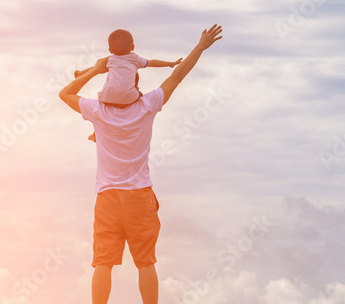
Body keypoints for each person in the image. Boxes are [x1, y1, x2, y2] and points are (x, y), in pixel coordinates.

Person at [58, 24, 223, 304]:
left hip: (108, 196)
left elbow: (65, 94)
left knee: (103, 264)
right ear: (136, 83)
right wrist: (200, 47)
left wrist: (95, 70)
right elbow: (178, 75)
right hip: (140, 196)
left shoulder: (97, 111)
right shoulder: (148, 105)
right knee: (145, 263)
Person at [75, 28, 182, 143]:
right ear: (133, 47)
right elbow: (153, 62)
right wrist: (170, 64)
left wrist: (81, 73)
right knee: (141, 98)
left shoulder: (110, 60)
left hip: (107, 97)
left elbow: (95, 69)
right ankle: (135, 121)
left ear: (110, 50)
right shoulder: (134, 59)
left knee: (99, 112)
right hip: (129, 97)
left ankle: (95, 133)